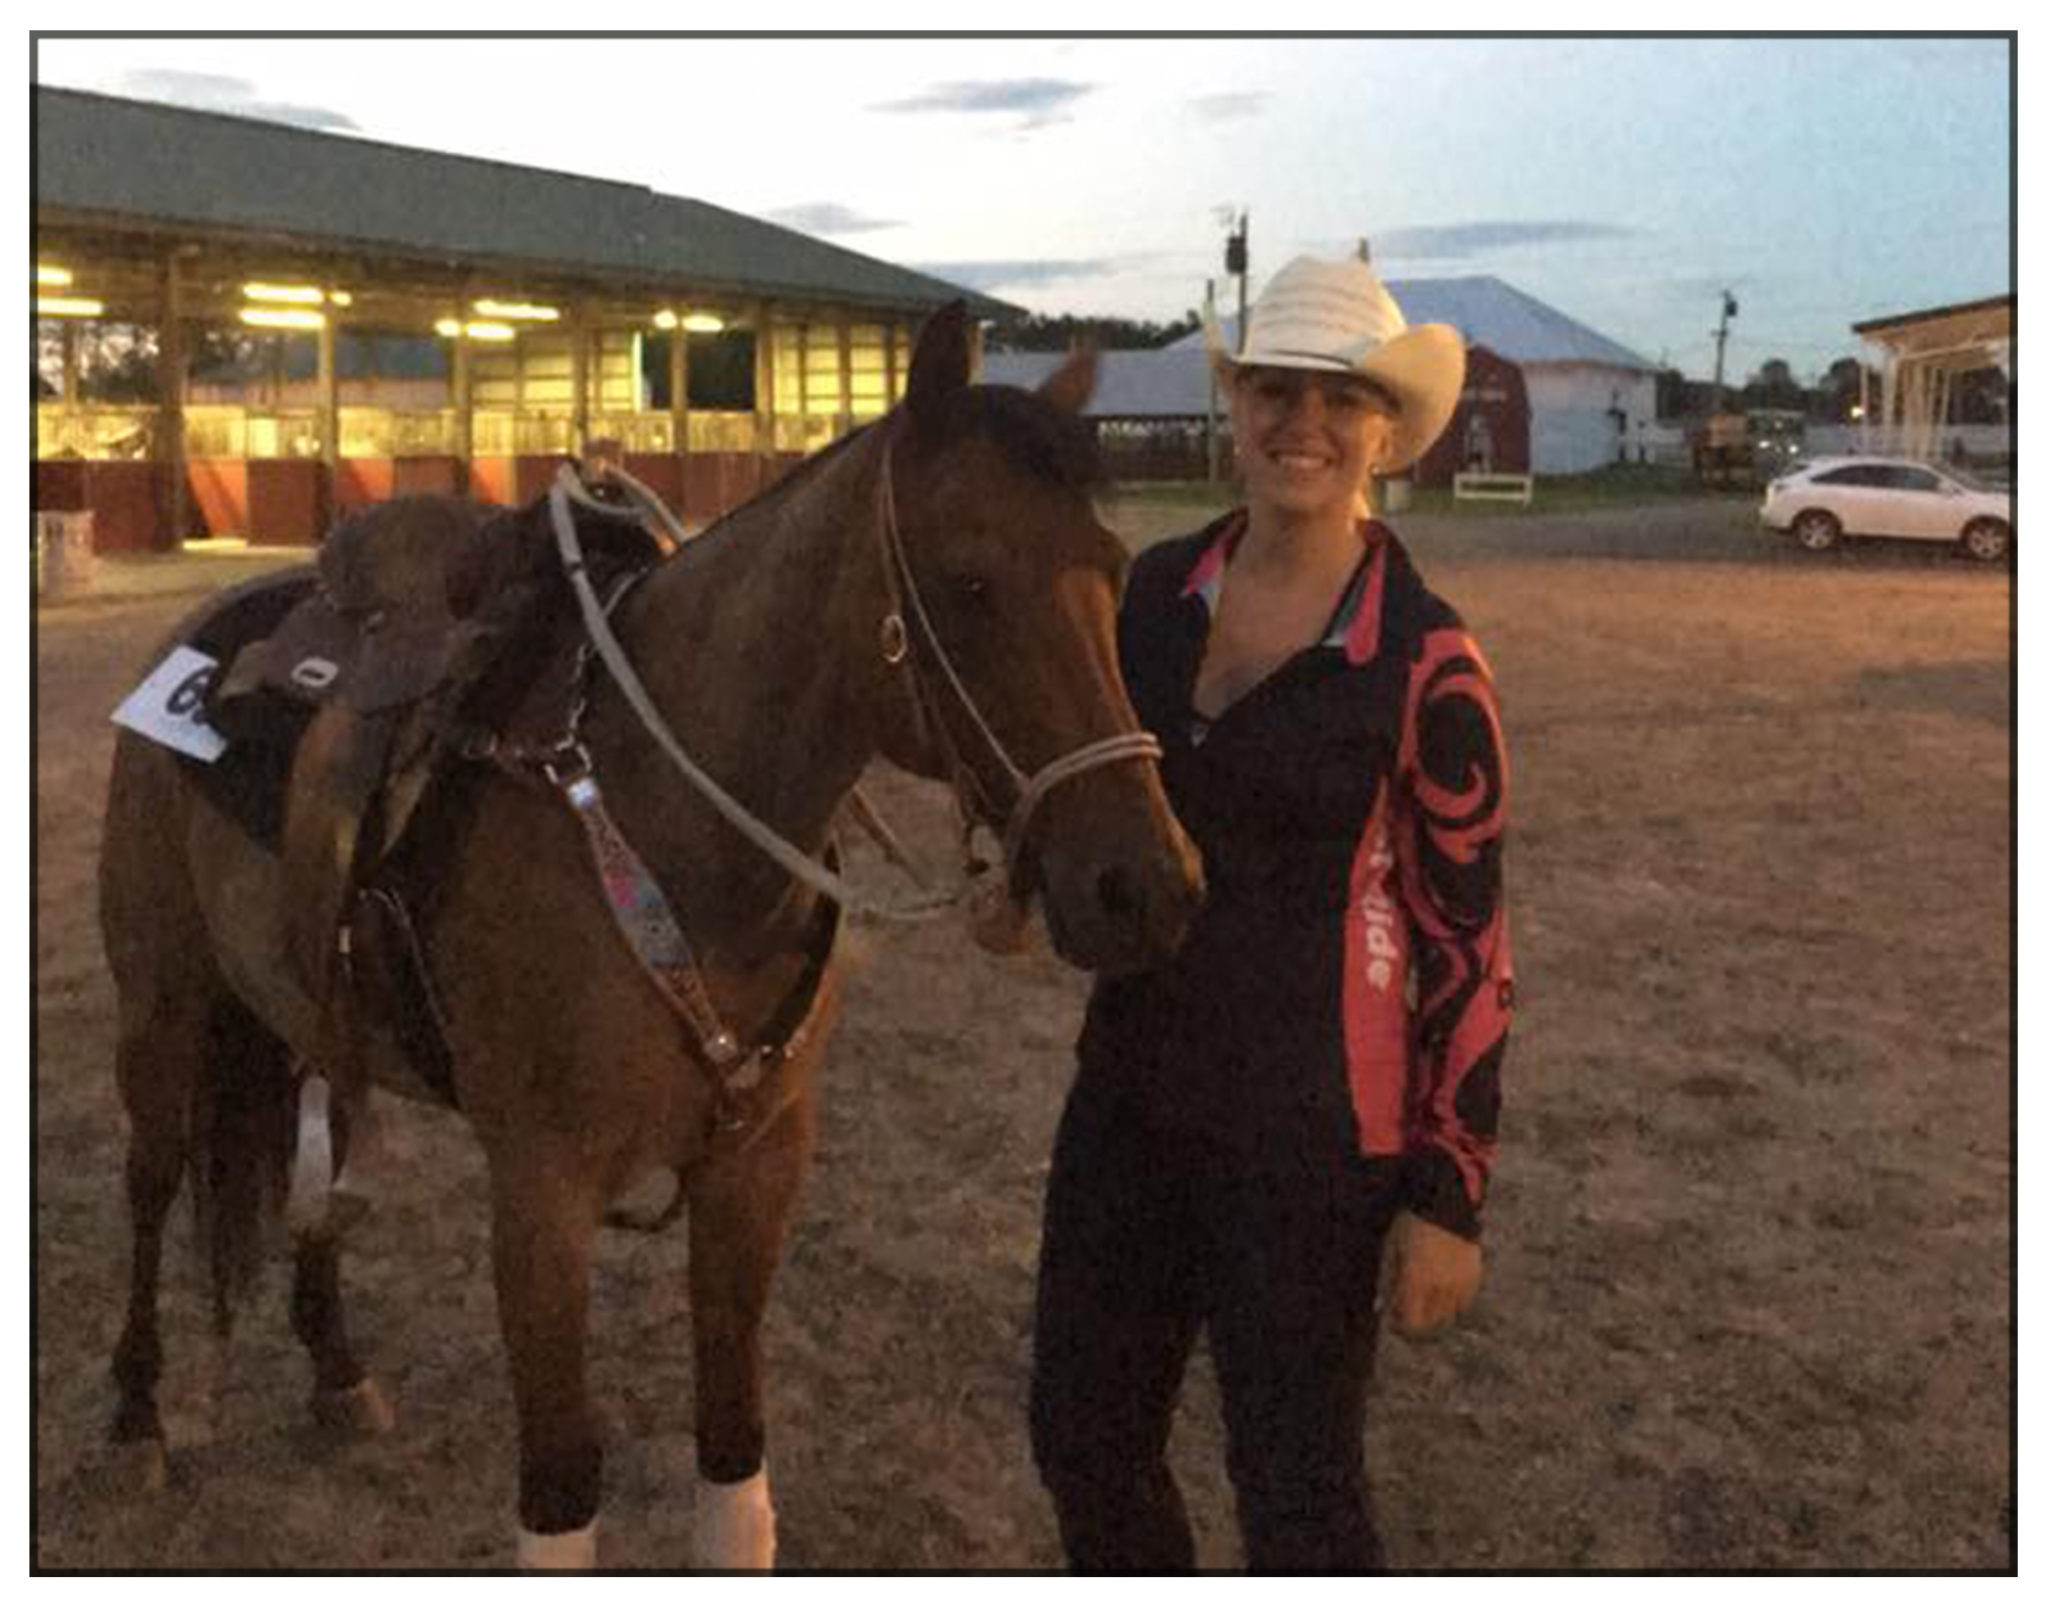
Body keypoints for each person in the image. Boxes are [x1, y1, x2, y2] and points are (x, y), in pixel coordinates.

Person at [1029, 254, 1515, 1573]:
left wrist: (1448, 1196)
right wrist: (1014, 876)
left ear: (1382, 429)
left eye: (1338, 398)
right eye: (1274, 390)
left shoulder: (1424, 656)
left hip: (1309, 1141)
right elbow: (1084, 780)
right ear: (1235, 403)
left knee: (1297, 1493)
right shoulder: (1151, 594)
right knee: (1081, 1435)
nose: (1303, 423)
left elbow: (1470, 945)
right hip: (1127, 1095)